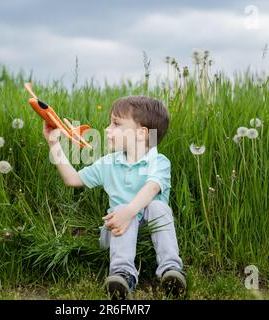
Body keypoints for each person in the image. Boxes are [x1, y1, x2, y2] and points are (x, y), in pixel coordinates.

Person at [43, 96, 186, 299]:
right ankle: (122, 275)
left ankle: (171, 270)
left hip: (149, 233)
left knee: (158, 208)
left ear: (141, 133)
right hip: (117, 234)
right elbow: (73, 179)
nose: (108, 129)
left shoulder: (159, 162)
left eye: (116, 124)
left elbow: (152, 187)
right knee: (121, 214)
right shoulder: (109, 163)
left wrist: (129, 212)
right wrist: (53, 143)